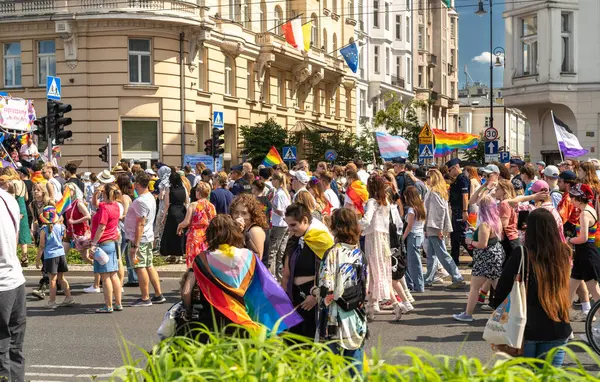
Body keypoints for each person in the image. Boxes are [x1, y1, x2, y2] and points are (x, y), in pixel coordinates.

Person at [181, 215, 301, 340]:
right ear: (234, 233)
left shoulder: (202, 259)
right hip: (243, 318)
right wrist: (244, 234)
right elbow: (259, 259)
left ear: (210, 234)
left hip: (213, 321)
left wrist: (188, 313)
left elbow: (186, 292)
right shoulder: (248, 256)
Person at [492, 208, 572, 367]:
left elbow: (502, 289)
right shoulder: (564, 252)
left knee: (524, 375)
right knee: (550, 377)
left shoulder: (522, 254)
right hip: (558, 325)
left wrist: (498, 310)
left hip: (525, 329)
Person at [315, 208, 367, 374]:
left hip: (333, 317)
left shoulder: (332, 253)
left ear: (335, 227)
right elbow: (365, 285)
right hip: (355, 313)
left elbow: (326, 289)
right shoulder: (359, 254)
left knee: (330, 363)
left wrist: (315, 291)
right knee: (355, 360)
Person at [283, 203, 333, 338]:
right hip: (293, 295)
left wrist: (316, 297)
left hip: (312, 296)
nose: (290, 229)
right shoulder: (294, 239)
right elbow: (286, 271)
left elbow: (329, 272)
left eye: (293, 225)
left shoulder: (322, 239)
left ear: (305, 220)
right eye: (288, 225)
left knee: (310, 339)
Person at [453, 195, 505, 322]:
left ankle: (467, 314)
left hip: (485, 258)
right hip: (496, 254)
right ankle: (506, 314)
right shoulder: (496, 220)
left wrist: (471, 241)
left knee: (474, 287)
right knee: (499, 287)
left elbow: (482, 244)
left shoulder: (485, 224)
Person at [126, 172, 165, 307]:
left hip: (140, 239)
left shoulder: (140, 201)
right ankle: (158, 294)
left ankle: (145, 298)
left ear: (137, 184)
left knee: (140, 266)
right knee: (148, 265)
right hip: (147, 236)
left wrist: (135, 245)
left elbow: (140, 224)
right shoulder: (149, 197)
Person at [423, 169, 466, 289]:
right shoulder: (438, 192)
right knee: (431, 254)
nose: (426, 180)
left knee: (442, 253)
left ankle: (457, 277)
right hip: (433, 226)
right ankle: (429, 278)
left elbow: (440, 211)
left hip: (435, 226)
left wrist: (440, 229)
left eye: (428, 177)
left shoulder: (434, 192)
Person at [0, 184, 26, 382]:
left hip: (1, 285)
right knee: (15, 348)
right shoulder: (9, 199)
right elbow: (15, 241)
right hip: (15, 279)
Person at [359, 176, 393, 319]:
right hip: (384, 237)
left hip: (373, 237)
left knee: (373, 268)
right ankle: (374, 304)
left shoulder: (372, 202)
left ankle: (375, 302)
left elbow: (367, 219)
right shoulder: (386, 202)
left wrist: (355, 224)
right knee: (380, 267)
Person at [566, 183, 600, 321]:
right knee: (570, 288)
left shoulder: (585, 213)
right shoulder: (588, 209)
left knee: (595, 291)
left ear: (579, 198)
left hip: (587, 254)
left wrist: (570, 239)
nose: (571, 200)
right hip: (583, 254)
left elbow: (583, 238)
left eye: (573, 197)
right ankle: (560, 317)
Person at [90, 183, 123, 313]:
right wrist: (96, 194)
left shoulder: (104, 208)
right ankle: (118, 303)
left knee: (105, 276)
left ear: (105, 194)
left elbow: (101, 227)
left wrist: (93, 243)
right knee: (114, 274)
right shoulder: (115, 206)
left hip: (103, 243)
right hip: (113, 242)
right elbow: (95, 204)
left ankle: (108, 305)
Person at [35, 206, 75, 309]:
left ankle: (52, 302)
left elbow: (42, 246)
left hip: (50, 256)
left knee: (52, 280)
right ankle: (69, 297)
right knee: (61, 278)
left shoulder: (44, 229)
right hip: (61, 254)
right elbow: (61, 238)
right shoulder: (61, 227)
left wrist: (38, 259)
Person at [177, 181, 216, 268]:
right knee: (205, 261)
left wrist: (179, 226)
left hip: (194, 235)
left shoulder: (193, 205)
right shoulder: (211, 206)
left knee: (193, 261)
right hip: (207, 235)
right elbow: (214, 221)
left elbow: (186, 222)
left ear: (198, 192)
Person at [2, 167, 32, 268]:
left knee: (13, 231)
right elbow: (27, 197)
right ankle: (25, 257)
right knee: (23, 233)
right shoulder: (22, 182)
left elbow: (12, 197)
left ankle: (13, 255)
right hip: (23, 205)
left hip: (16, 206)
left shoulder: (11, 183)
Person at [446, 158, 471, 266]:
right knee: (454, 236)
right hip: (456, 210)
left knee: (461, 235)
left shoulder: (462, 179)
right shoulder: (457, 179)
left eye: (450, 170)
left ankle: (474, 254)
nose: (450, 173)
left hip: (460, 210)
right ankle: (454, 260)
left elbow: (465, 195)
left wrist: (465, 211)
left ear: (456, 167)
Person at [160, 169, 188, 263]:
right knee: (180, 234)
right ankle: (180, 255)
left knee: (171, 234)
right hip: (182, 212)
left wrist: (163, 216)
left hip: (173, 212)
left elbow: (167, 204)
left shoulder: (169, 189)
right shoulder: (183, 188)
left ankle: (172, 254)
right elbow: (187, 201)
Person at [231, 194, 269, 261]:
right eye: (236, 212)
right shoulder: (241, 228)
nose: (239, 216)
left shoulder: (255, 230)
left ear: (252, 215)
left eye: (244, 213)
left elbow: (258, 259)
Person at [115, 174, 137, 286]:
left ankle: (125, 278)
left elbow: (125, 214)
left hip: (123, 228)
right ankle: (133, 277)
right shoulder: (129, 196)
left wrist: (115, 216)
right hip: (127, 228)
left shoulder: (124, 197)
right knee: (127, 255)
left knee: (120, 255)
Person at [403, 186, 426, 293]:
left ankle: (418, 285)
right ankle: (416, 284)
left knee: (413, 262)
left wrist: (402, 237)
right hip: (419, 234)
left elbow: (409, 225)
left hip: (413, 235)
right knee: (415, 261)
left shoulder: (412, 209)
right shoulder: (421, 206)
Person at [62, 182, 91, 263]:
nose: (65, 192)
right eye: (64, 190)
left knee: (86, 257)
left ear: (73, 191)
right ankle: (60, 275)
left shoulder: (78, 203)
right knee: (62, 255)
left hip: (80, 233)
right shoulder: (68, 203)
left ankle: (98, 270)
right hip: (70, 232)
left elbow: (88, 216)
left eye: (67, 190)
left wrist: (74, 221)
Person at [269, 172, 291, 279]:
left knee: (273, 250)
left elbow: (280, 210)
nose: (272, 182)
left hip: (279, 224)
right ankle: (279, 274)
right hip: (284, 224)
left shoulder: (280, 194)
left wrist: (271, 203)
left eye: (273, 180)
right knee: (280, 251)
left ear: (277, 181)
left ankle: (272, 274)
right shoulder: (283, 193)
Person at [495, 179, 520, 261]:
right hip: (513, 236)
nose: (495, 190)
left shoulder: (504, 203)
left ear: (504, 190)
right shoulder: (509, 201)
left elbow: (504, 224)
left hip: (508, 238)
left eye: (497, 189)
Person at [557, 170, 579, 238]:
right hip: (572, 231)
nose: (557, 184)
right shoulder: (573, 194)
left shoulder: (568, 198)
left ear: (567, 184)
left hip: (568, 233)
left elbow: (560, 219)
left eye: (560, 181)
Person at [153, 165, 171, 252]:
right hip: (169, 206)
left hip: (163, 206)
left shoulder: (162, 183)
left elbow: (161, 196)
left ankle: (158, 245)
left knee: (159, 225)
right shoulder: (171, 181)